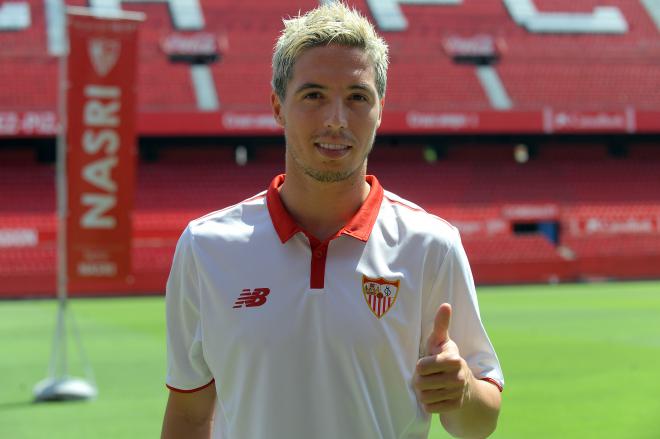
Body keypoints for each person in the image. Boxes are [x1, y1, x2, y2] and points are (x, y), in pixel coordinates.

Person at [161, 3, 503, 438]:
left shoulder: (431, 244)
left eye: (357, 97)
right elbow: (189, 415)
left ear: (380, 110)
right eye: (313, 95)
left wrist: (463, 391)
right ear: (278, 107)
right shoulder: (206, 247)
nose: (336, 120)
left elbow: (478, 423)